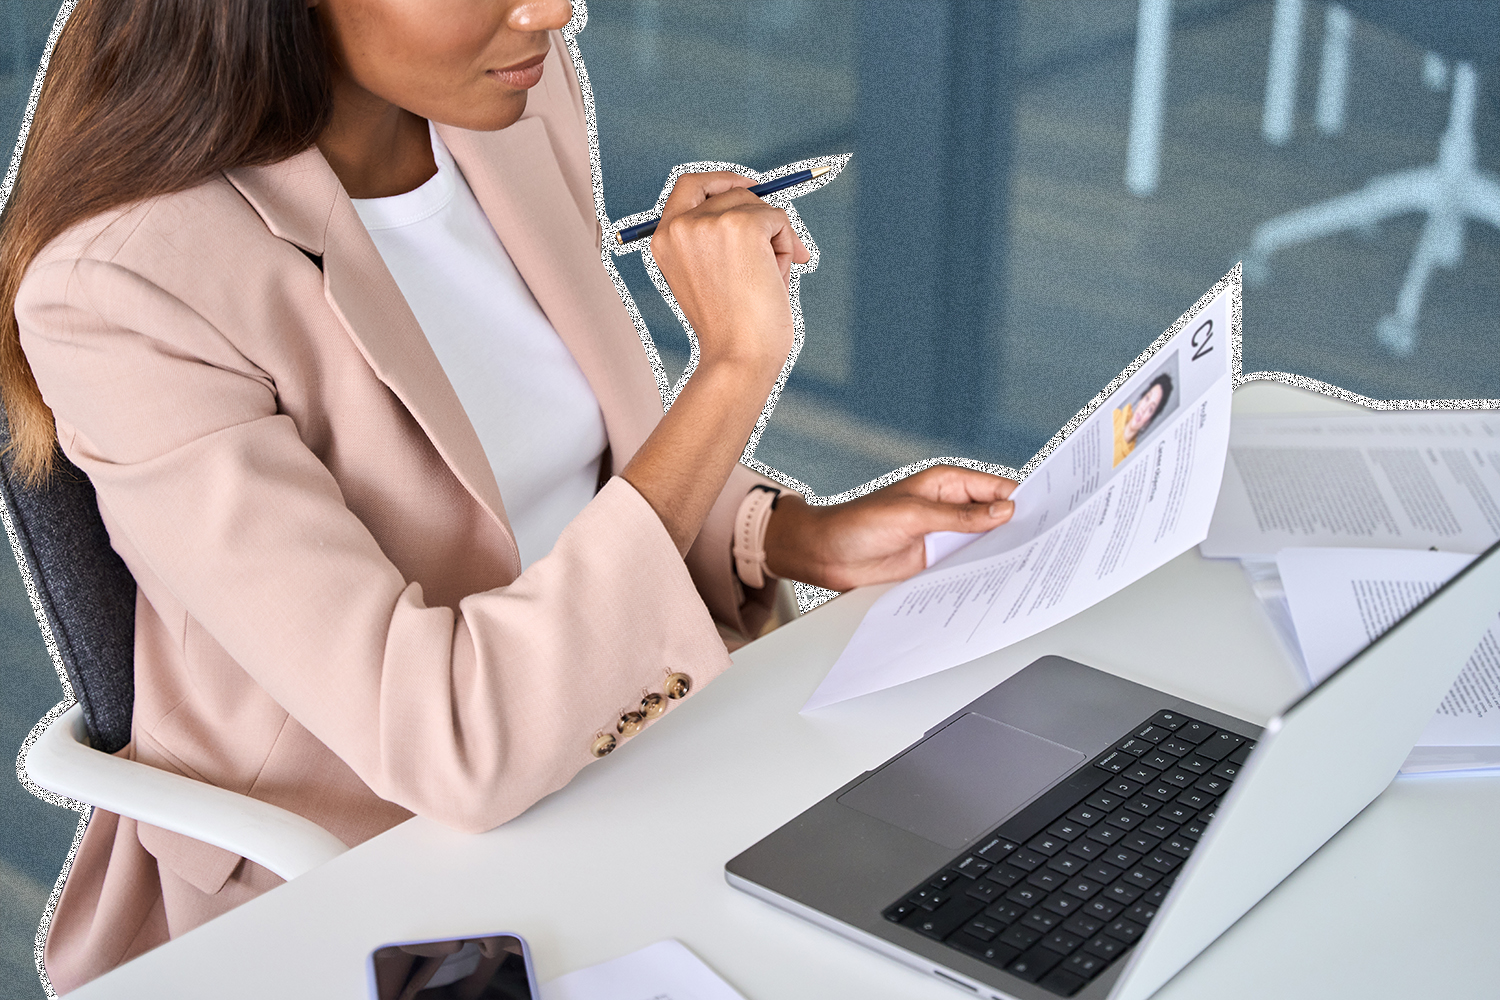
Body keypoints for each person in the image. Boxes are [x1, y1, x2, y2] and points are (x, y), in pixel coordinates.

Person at [0, 0, 1018, 990]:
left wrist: (792, 536)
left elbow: (580, 466)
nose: (551, 14)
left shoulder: (510, 105)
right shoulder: (124, 287)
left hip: (628, 746)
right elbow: (451, 744)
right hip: (372, 854)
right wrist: (733, 366)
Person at [1111, 372, 1174, 466]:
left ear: (1150, 420)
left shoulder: (1130, 461)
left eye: (1150, 409)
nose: (1143, 409)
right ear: (1141, 399)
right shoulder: (1114, 416)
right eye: (1147, 398)